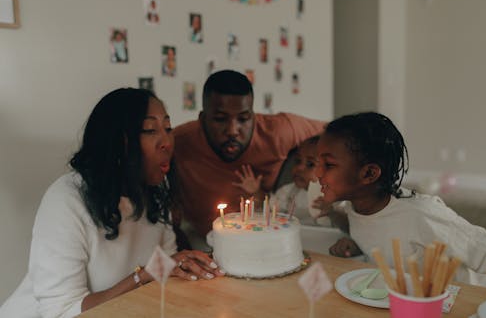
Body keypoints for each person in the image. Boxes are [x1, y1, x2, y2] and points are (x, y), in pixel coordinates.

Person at [0, 88, 224, 317]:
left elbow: (163, 268)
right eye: (149, 130)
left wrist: (181, 265)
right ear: (118, 142)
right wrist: (142, 276)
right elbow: (62, 310)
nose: (166, 142)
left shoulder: (154, 194)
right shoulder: (67, 199)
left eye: (168, 128)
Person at [315, 112, 486, 289]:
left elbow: (483, 246)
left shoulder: (421, 215)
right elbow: (370, 230)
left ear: (369, 174)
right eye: (317, 163)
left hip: (466, 299)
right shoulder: (352, 206)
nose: (317, 173)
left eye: (329, 165)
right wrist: (353, 243)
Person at [172, 70, 325, 245]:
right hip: (203, 241)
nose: (232, 130)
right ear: (202, 119)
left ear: (253, 116)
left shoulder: (278, 131)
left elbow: (339, 136)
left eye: (243, 119)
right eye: (220, 119)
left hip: (265, 239)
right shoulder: (179, 142)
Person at [234, 136, 332, 227]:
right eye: (297, 161)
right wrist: (256, 192)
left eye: (310, 164)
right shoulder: (288, 191)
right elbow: (270, 210)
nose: (299, 168)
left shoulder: (333, 195)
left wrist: (332, 211)